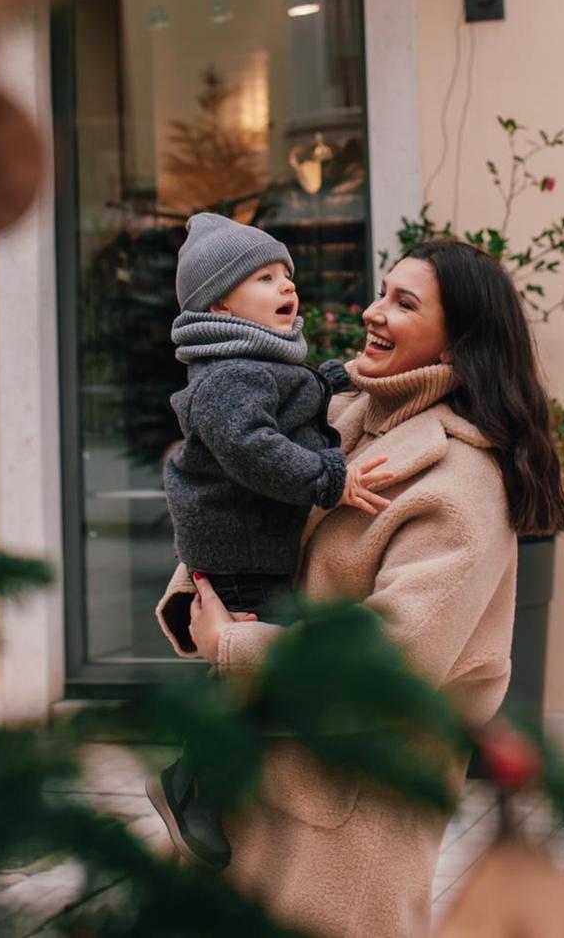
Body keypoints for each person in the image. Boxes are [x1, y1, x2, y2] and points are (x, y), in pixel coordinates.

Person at [157, 237, 564, 938]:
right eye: (382, 291)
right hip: (254, 777)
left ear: (457, 341)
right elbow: (245, 503)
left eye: (404, 303)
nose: (374, 313)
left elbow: (395, 658)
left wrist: (236, 644)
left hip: (348, 812)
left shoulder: (461, 481)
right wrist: (205, 589)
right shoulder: (342, 413)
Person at [149, 212, 394, 870]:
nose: (286, 285)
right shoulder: (230, 375)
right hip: (236, 552)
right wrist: (328, 479)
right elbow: (249, 445)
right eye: (264, 276)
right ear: (220, 301)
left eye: (286, 272)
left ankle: (196, 774)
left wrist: (340, 377)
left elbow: (298, 396)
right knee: (258, 673)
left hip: (250, 548)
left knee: (254, 671)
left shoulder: (259, 357)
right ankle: (192, 780)